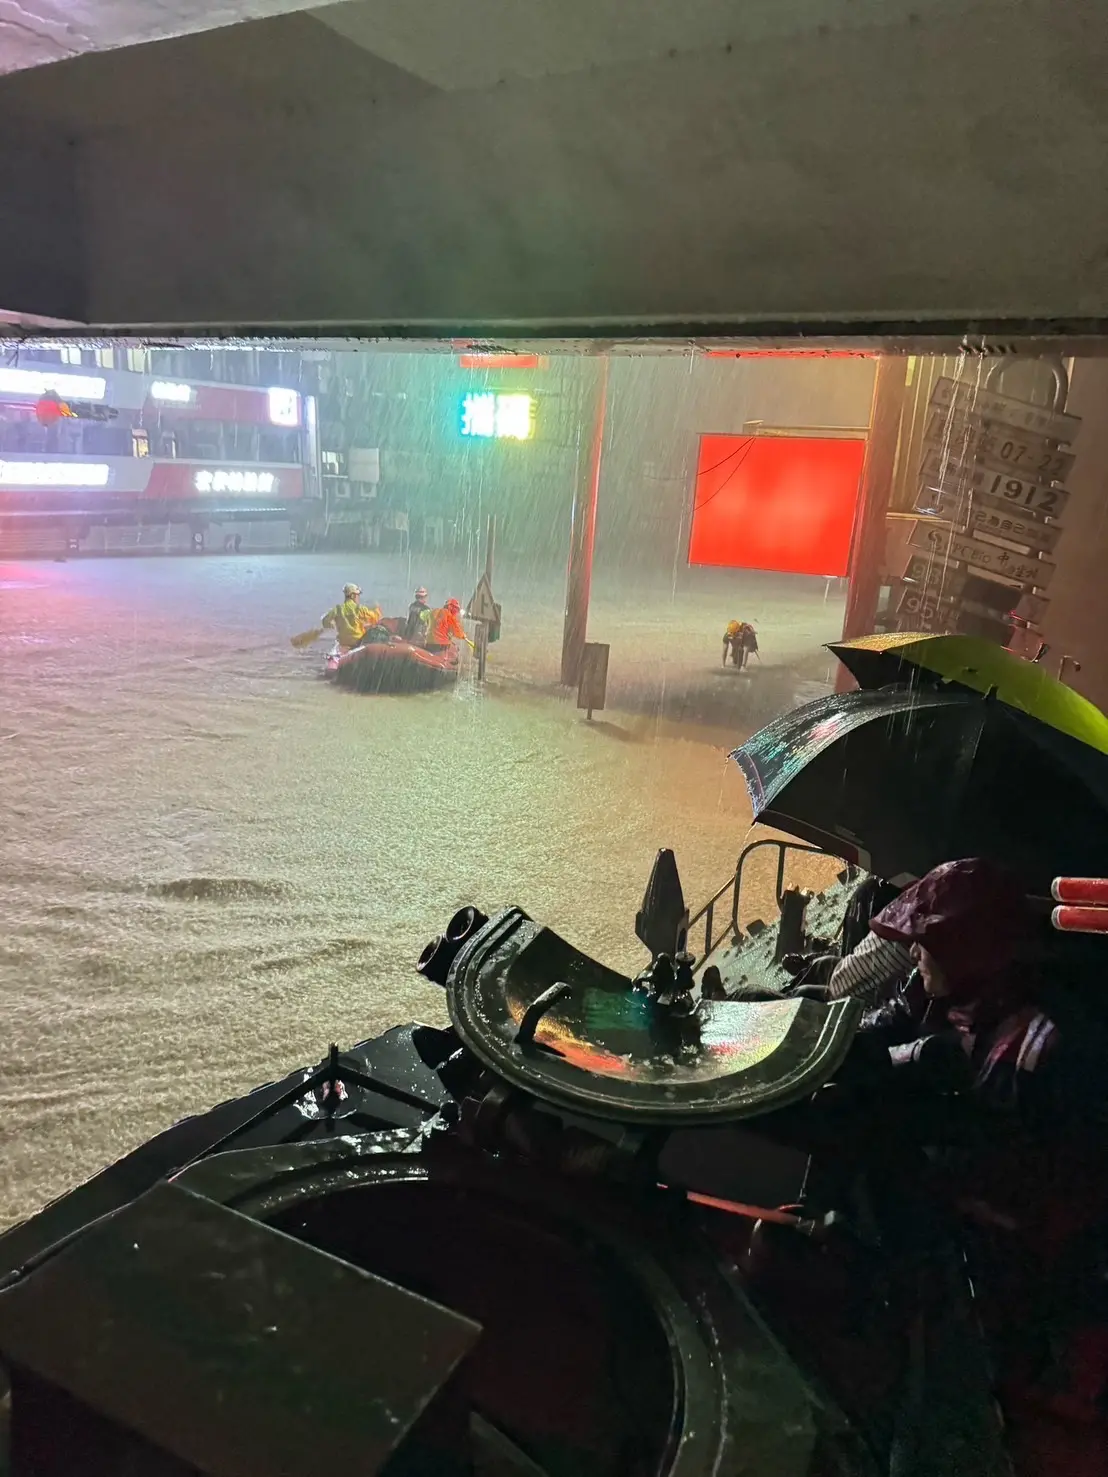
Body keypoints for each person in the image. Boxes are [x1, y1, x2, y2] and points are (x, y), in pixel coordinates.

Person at [320, 583, 381, 651]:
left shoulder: (338, 609)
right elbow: (375, 618)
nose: (358, 597)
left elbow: (324, 620)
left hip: (343, 642)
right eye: (357, 595)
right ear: (352, 595)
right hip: (357, 641)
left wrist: (331, 625)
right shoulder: (359, 609)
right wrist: (377, 609)